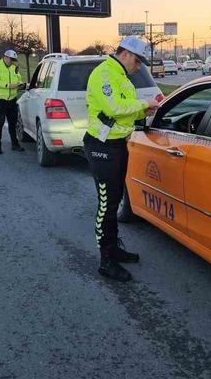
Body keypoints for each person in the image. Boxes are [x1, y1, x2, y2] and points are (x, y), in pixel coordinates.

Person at [84, 36, 160, 282]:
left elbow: (125, 110)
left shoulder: (121, 76)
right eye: (138, 61)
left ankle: (114, 249)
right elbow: (114, 108)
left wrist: (143, 110)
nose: (139, 67)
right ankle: (106, 260)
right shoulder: (104, 74)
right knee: (106, 204)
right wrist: (144, 103)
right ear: (125, 54)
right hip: (102, 146)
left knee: (115, 200)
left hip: (117, 144)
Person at [0, 50, 25, 154]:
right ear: (6, 57)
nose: (12, 62)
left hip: (12, 100)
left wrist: (20, 85)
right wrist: (8, 85)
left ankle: (15, 144)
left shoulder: (14, 68)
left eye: (14, 60)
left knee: (13, 123)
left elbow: (19, 79)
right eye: (11, 60)